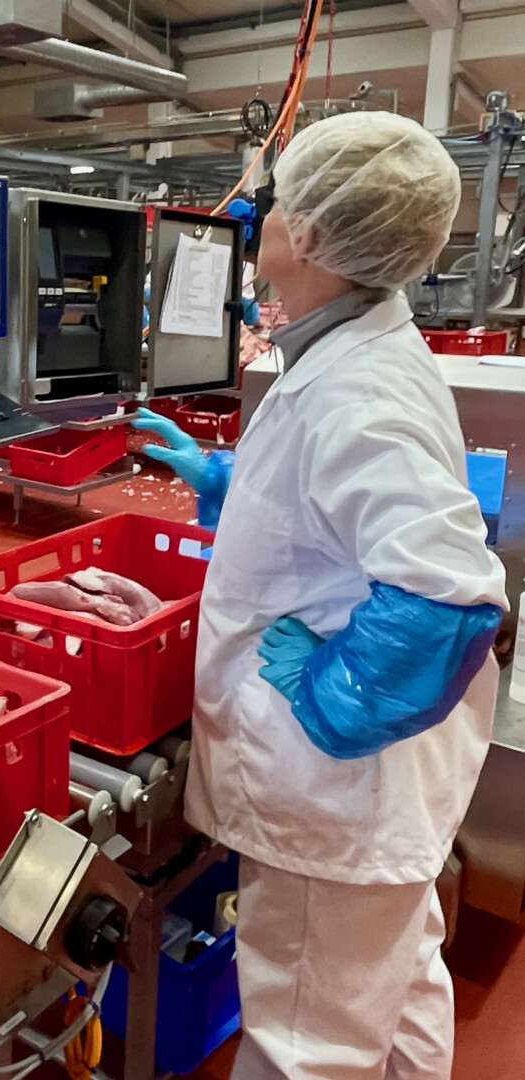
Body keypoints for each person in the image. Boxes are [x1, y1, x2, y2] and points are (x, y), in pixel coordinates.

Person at [134, 112, 505, 1080]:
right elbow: (340, 511)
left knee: (307, 1040)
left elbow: (448, 594)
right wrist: (231, 484)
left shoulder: (357, 393)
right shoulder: (353, 352)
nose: (262, 217)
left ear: (305, 233)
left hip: (335, 786)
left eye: (276, 201)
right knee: (399, 982)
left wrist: (334, 700)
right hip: (383, 786)